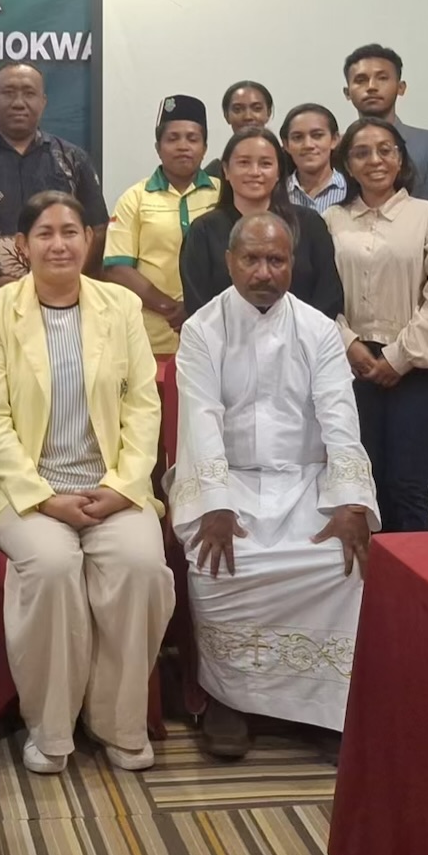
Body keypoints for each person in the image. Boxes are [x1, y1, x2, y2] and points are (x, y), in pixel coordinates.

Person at [0, 191, 173, 776]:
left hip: (110, 486)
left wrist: (124, 486)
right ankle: (51, 726)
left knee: (141, 567)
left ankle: (118, 723)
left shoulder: (120, 306)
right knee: (53, 569)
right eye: (45, 233)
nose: (59, 244)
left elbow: (143, 406)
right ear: (22, 245)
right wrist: (45, 498)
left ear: (89, 239)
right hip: (24, 490)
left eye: (70, 232)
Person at [172, 213, 380, 759]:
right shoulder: (202, 329)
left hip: (305, 481)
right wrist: (215, 505)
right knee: (219, 563)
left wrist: (351, 502)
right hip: (228, 480)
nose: (263, 272)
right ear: (230, 262)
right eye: (252, 259)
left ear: (292, 264)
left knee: (340, 561)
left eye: (276, 260)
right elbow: (200, 420)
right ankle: (228, 700)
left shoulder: (318, 329)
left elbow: (340, 417)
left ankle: (326, 704)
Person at [323, 118, 428, 533]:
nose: (375, 160)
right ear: (347, 165)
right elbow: (321, 296)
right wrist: (349, 344)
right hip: (350, 363)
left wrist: (397, 358)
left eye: (385, 150)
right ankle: (370, 570)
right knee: (363, 478)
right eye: (361, 153)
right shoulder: (332, 220)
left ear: (400, 159)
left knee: (408, 481)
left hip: (418, 364)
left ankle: (410, 569)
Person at [0, 64, 108, 300]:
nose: (19, 103)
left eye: (29, 93)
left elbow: (98, 230)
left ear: (43, 102)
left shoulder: (73, 160)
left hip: (65, 301)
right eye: (8, 93)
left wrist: (69, 281)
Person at [180, 127, 344, 321]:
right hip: (225, 338)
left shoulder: (309, 223)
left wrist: (298, 333)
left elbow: (328, 294)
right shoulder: (203, 230)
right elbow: (198, 304)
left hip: (302, 337)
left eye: (265, 164)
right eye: (244, 163)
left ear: (278, 172)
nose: (255, 172)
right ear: (226, 170)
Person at [101, 94, 220, 360]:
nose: (183, 146)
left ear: (205, 147)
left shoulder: (224, 194)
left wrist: (197, 309)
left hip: (216, 335)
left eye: (192, 138)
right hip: (152, 338)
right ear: (158, 147)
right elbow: (117, 268)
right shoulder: (135, 198)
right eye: (172, 138)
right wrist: (172, 309)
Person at [341, 45, 428, 211]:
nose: (371, 86)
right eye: (361, 80)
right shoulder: (337, 150)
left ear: (401, 87)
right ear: (347, 92)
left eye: (382, 78)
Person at [281, 103, 348, 213]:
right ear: (286, 144)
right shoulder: (277, 193)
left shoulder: (353, 190)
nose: (308, 145)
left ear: (334, 140)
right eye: (298, 137)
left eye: (317, 136)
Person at [208, 80, 275, 176]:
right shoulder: (213, 174)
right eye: (238, 109)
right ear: (226, 116)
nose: (248, 116)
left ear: (268, 113)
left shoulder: (288, 165)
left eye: (257, 108)